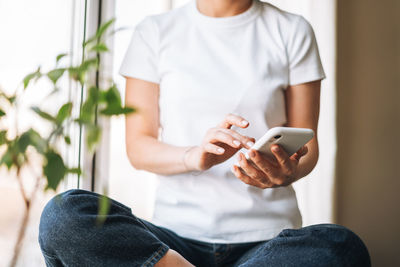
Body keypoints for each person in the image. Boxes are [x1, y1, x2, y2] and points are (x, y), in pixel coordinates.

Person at [39, 0, 371, 266]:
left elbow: (307, 146)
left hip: (267, 245)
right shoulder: (154, 32)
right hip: (170, 243)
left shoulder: (292, 30)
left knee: (341, 247)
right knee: (63, 216)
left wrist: (283, 174)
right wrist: (193, 156)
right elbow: (138, 146)